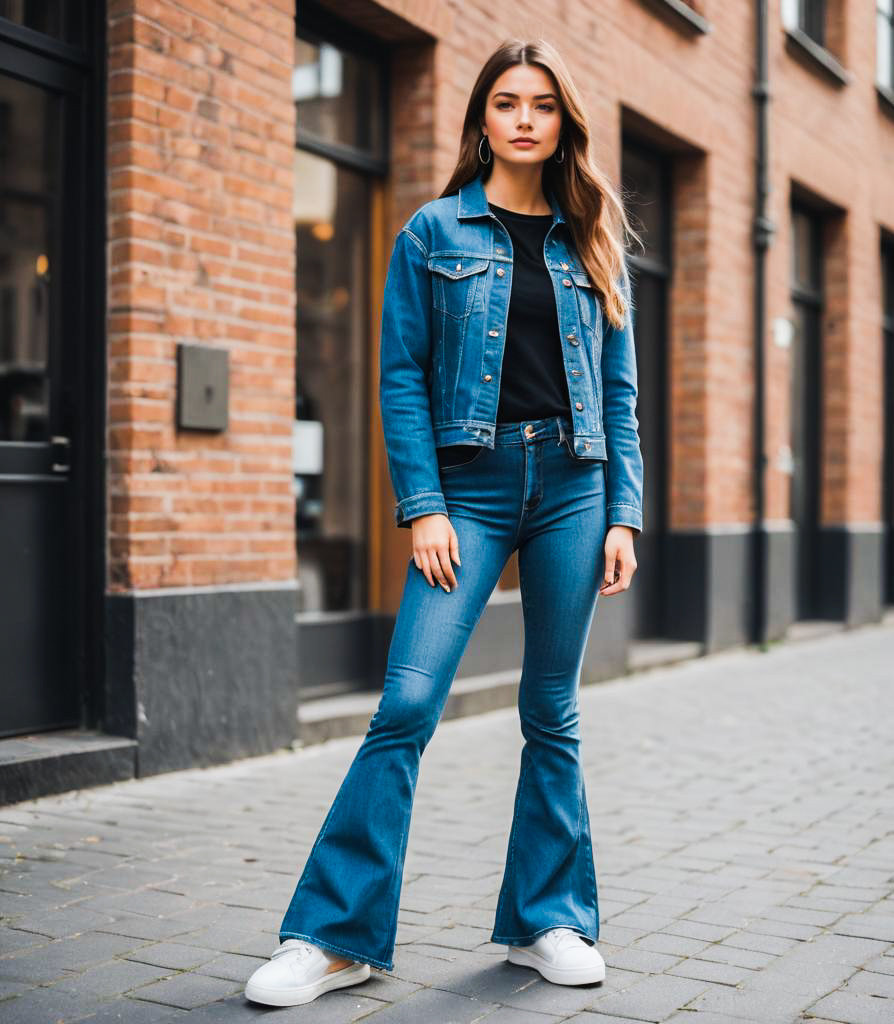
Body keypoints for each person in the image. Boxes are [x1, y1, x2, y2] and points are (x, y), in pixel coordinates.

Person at [245, 37, 643, 1008]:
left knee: (551, 709)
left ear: (562, 125)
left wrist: (623, 515)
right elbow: (400, 377)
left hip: (573, 489)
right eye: (505, 101)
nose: (522, 118)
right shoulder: (431, 231)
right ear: (481, 118)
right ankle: (333, 936)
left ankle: (548, 919)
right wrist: (422, 503)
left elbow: (622, 397)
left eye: (541, 105)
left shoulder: (591, 237)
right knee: (405, 706)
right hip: (466, 488)